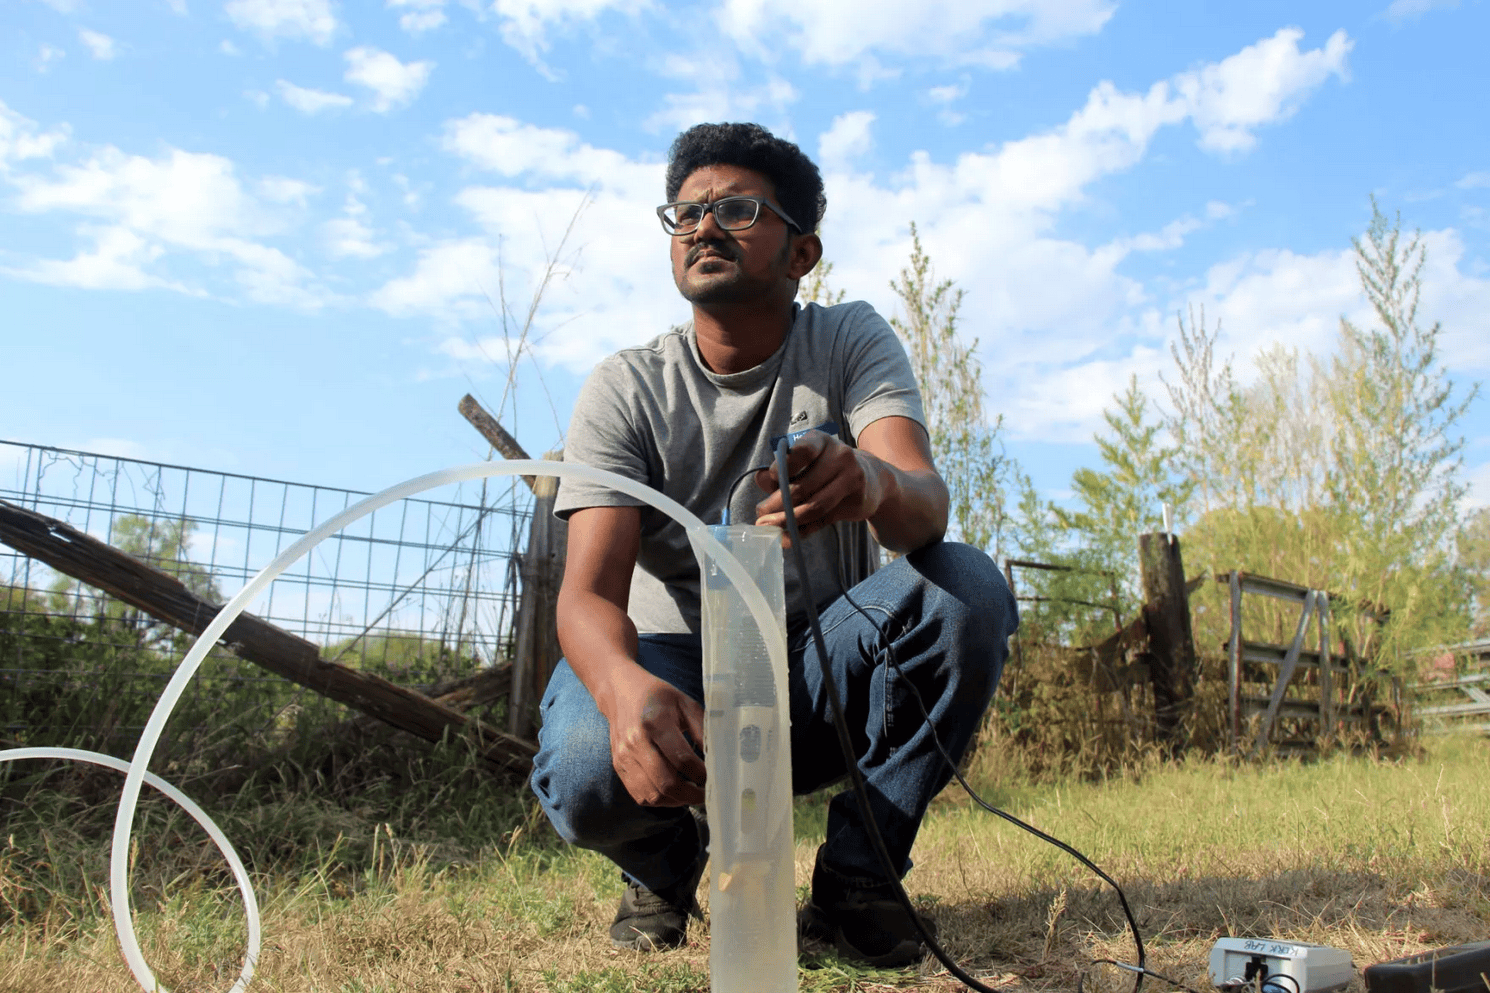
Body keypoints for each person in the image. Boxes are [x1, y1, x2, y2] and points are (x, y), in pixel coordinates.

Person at [529, 121, 1017, 967]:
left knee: (967, 588)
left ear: (802, 253)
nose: (703, 228)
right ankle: (663, 866)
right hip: (675, 669)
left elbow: (925, 507)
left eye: (738, 210)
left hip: (818, 665)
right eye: (686, 214)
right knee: (580, 760)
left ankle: (860, 879)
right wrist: (624, 689)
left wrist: (875, 482)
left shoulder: (848, 340)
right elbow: (586, 598)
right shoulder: (626, 387)